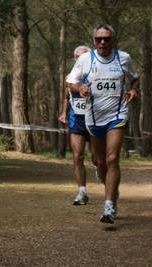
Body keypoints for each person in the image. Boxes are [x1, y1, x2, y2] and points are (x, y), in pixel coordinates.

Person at [67, 23, 139, 224]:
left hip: (117, 115)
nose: (102, 42)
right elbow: (71, 83)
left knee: (112, 158)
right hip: (93, 117)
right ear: (94, 41)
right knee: (100, 162)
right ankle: (111, 189)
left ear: (113, 40)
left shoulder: (123, 58)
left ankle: (109, 206)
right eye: (99, 39)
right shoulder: (85, 60)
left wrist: (134, 91)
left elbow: (135, 79)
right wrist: (79, 89)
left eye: (106, 38)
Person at [58, 45, 94, 205]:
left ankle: (107, 179)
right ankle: (82, 192)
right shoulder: (69, 77)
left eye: (84, 56)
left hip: (95, 119)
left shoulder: (96, 74)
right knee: (77, 156)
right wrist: (64, 113)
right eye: (77, 57)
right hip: (77, 120)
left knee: (97, 159)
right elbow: (66, 97)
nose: (80, 59)